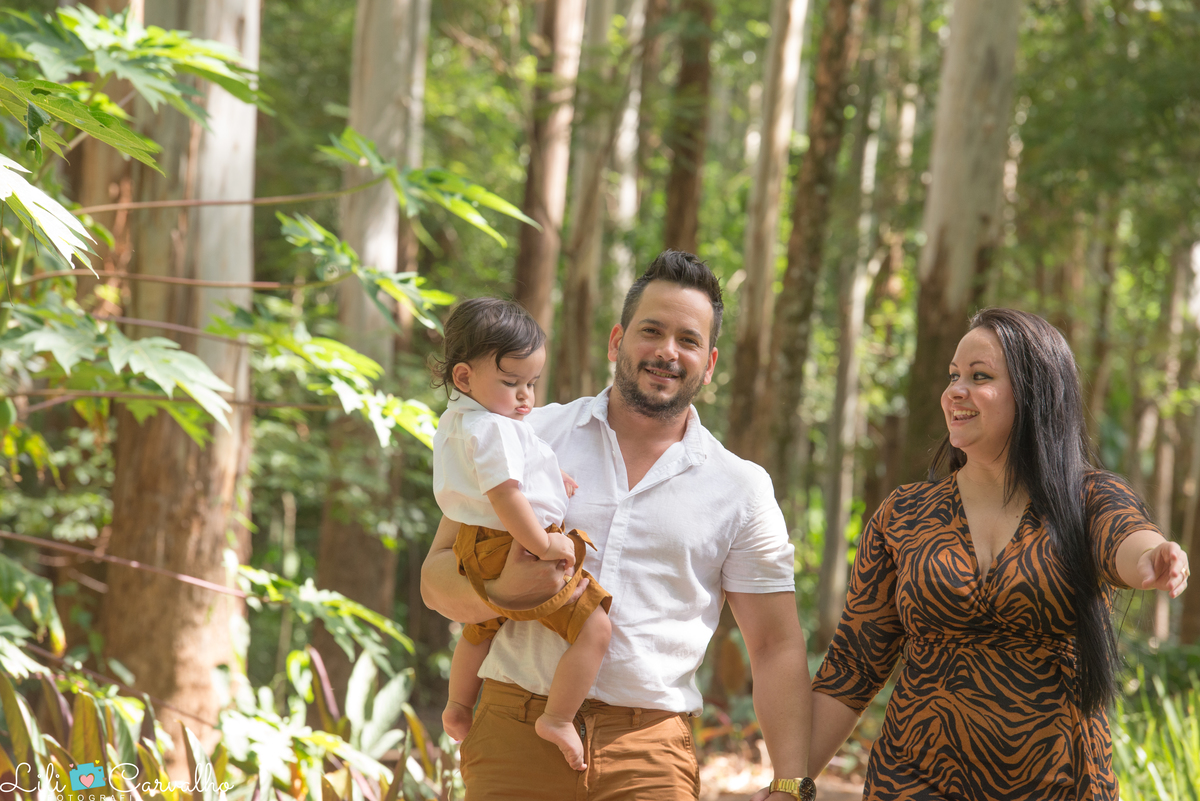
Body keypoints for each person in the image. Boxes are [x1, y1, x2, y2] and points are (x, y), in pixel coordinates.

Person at [422, 251, 815, 801]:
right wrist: (501, 594)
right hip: (514, 735)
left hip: (649, 754)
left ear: (709, 363)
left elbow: (775, 645)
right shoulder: (526, 434)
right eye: (651, 331)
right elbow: (436, 576)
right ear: (616, 341)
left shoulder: (741, 488)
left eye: (688, 340)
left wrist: (791, 784)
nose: (667, 351)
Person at [801, 308, 1190, 801]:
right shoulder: (903, 514)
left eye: (979, 377)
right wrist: (790, 784)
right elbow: (853, 668)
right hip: (912, 782)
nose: (955, 392)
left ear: (1034, 393)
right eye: (953, 376)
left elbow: (1126, 538)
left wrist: (1154, 557)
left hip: (1059, 784)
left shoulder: (1087, 498)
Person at [430, 297, 613, 770]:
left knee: (481, 626)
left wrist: (552, 477)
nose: (525, 397)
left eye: (531, 383)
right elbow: (505, 494)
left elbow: (511, 474)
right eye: (511, 383)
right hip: (512, 541)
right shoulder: (494, 428)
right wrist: (545, 543)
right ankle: (558, 718)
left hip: (478, 544)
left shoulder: (463, 421)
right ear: (464, 377)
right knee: (595, 627)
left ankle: (457, 704)